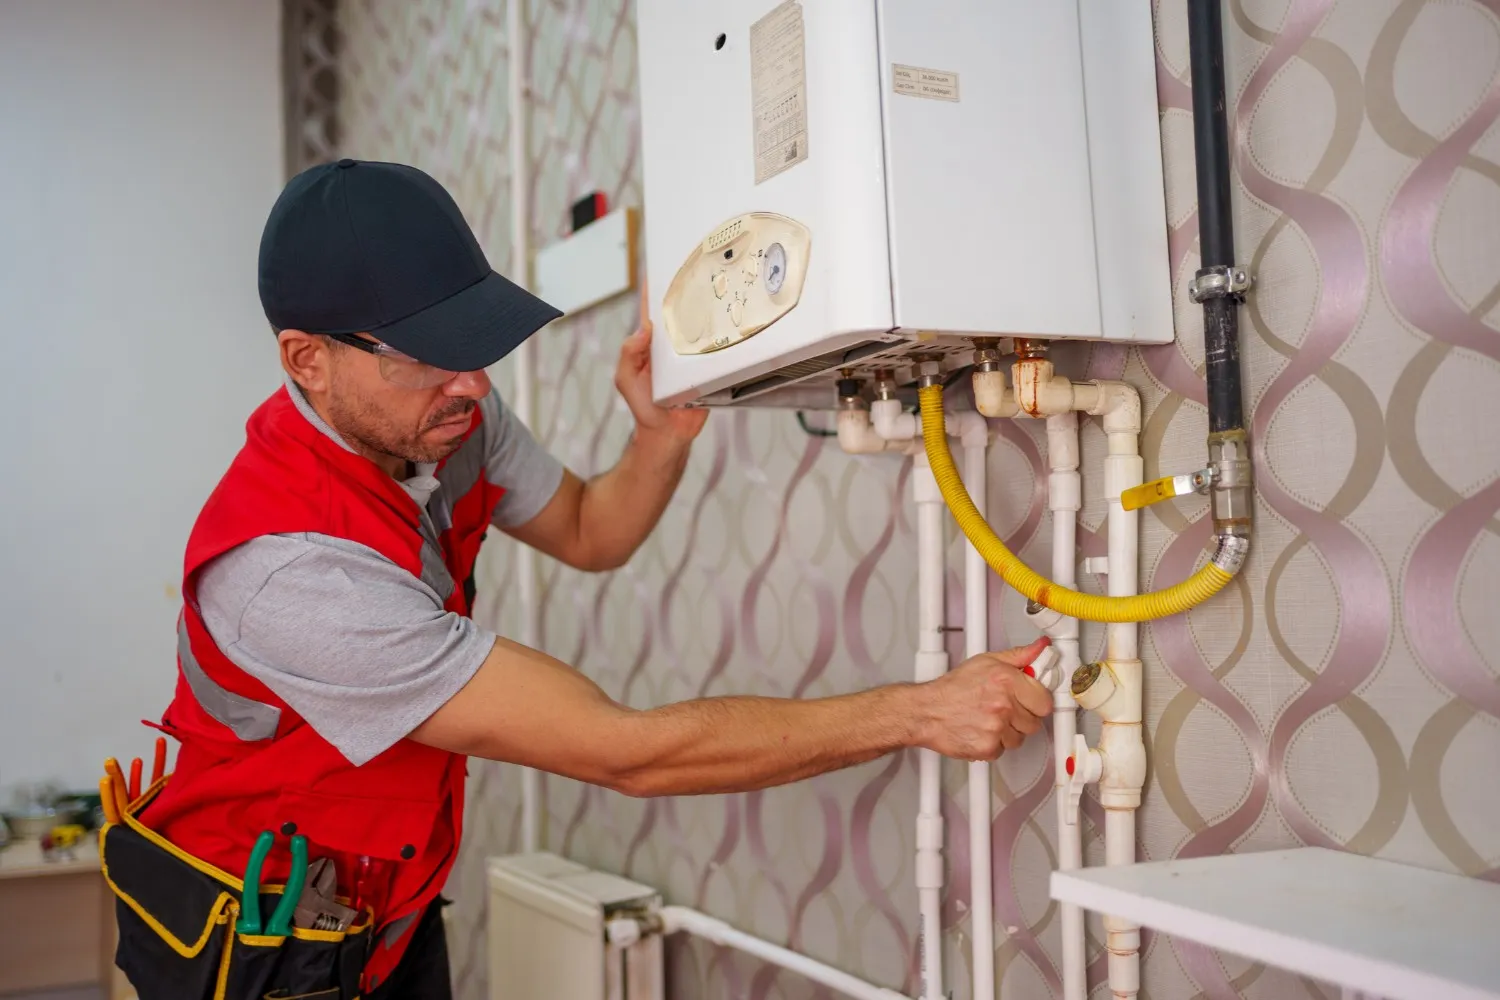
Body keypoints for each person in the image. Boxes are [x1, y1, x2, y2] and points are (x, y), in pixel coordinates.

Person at [108, 159, 1053, 1000]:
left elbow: (592, 532)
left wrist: (658, 436)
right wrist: (920, 713)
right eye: (429, 353)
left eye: (472, 340)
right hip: (257, 947)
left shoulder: (445, 415)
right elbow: (626, 753)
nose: (473, 383)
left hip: (389, 909)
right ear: (307, 361)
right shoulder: (290, 573)